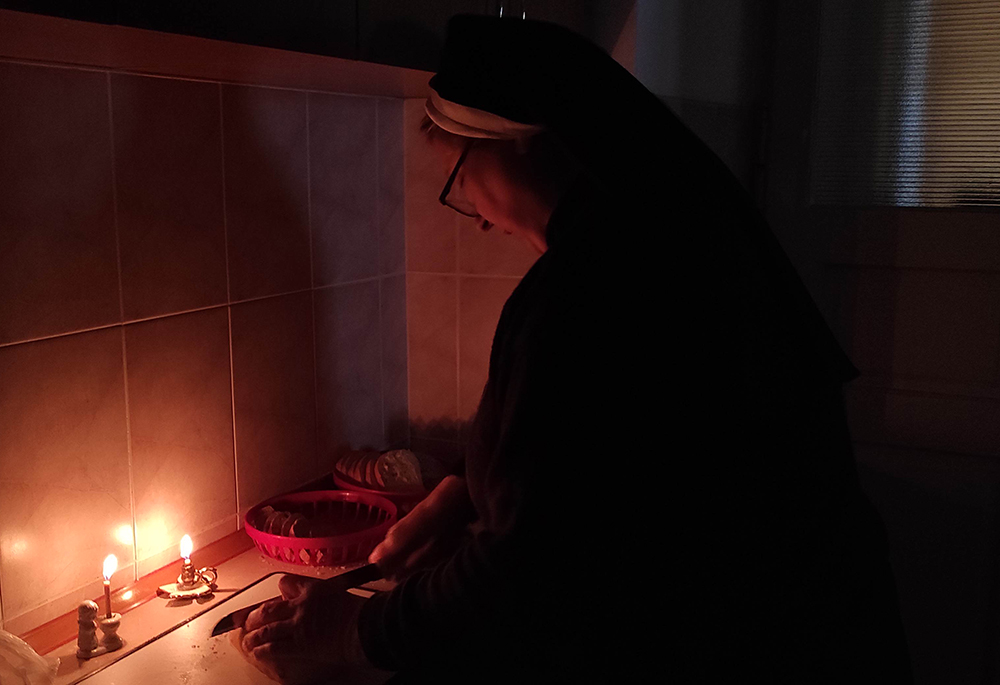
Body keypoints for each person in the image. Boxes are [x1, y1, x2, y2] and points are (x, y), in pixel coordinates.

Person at [240, 14, 912, 684]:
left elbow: (534, 568)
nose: (473, 213)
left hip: (758, 649)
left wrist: (356, 630)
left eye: (459, 179)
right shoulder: (666, 237)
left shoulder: (593, 288)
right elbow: (611, 464)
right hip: (816, 624)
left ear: (515, 143)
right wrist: (468, 493)